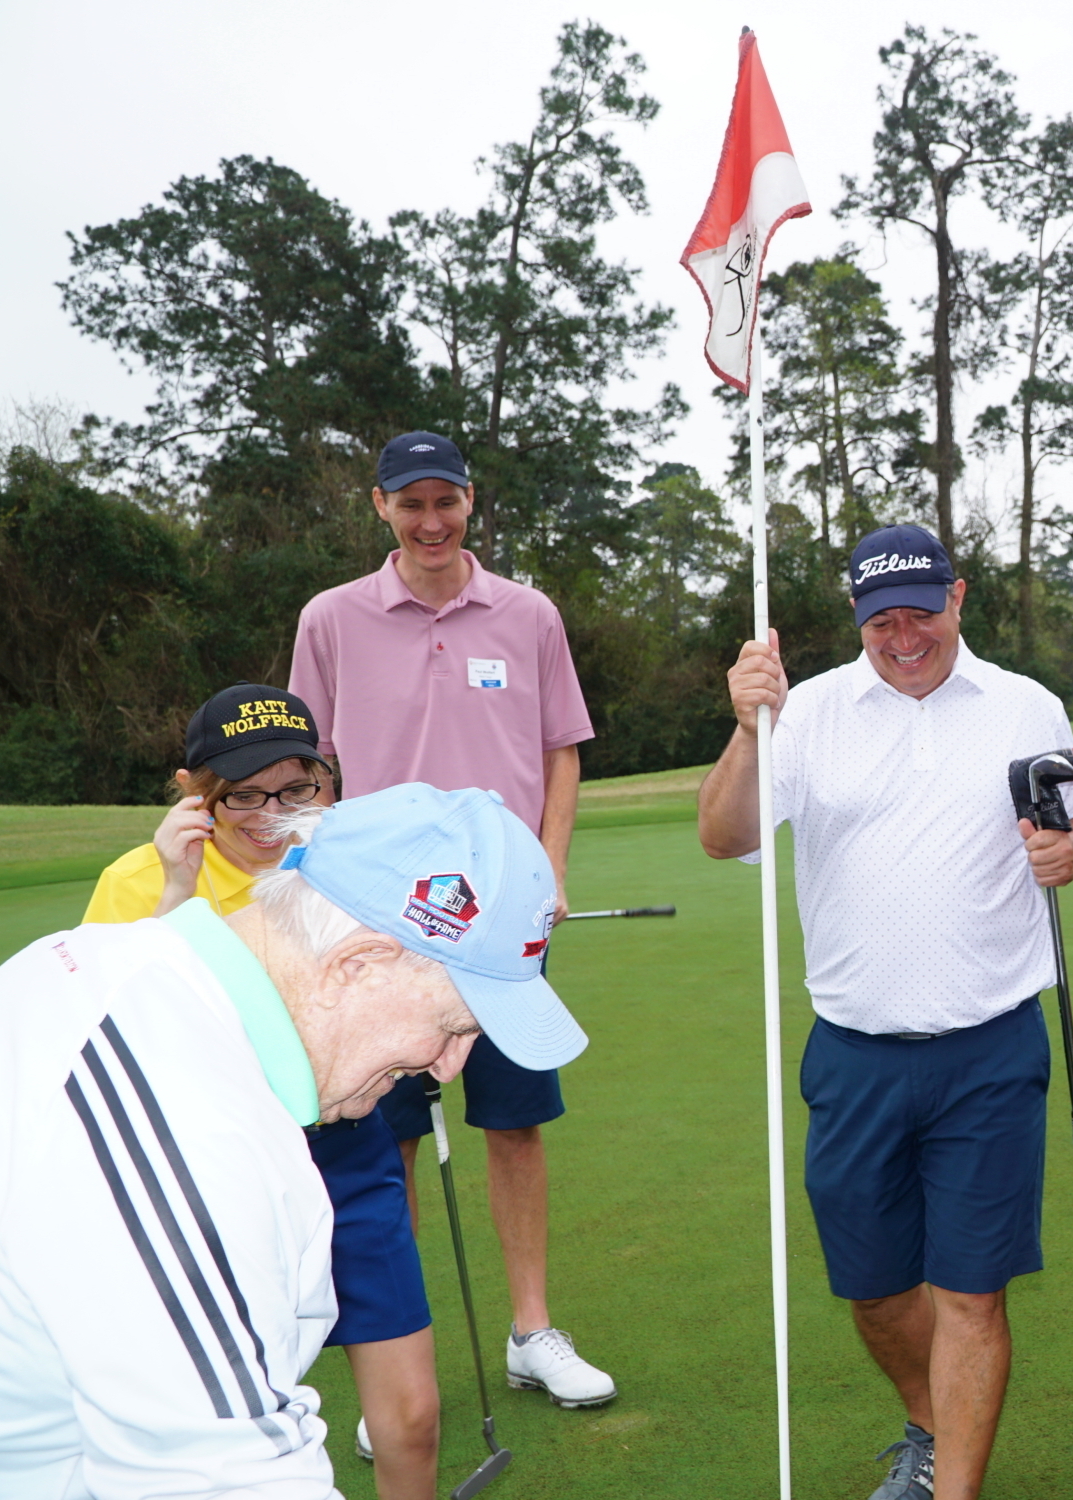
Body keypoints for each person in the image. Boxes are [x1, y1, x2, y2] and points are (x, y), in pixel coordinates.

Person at [0, 782, 586, 1498]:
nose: (447, 1066)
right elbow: (223, 1483)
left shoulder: (116, 966)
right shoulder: (191, 1136)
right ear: (357, 964)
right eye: (453, 1026)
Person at [697, 523, 1073, 1500]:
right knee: (876, 1291)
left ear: (957, 598)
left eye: (921, 614)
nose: (903, 637)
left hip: (991, 1047)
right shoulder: (807, 712)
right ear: (858, 620)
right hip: (855, 1054)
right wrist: (748, 728)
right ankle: (930, 1425)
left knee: (972, 1295)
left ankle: (951, 1486)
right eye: (881, 622)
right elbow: (723, 836)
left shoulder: (1025, 704)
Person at [290, 429, 614, 1408]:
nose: (431, 522)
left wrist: (551, 870)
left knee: (515, 1125)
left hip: (499, 923)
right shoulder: (331, 619)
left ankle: (531, 1331)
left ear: (471, 500)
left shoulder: (529, 615)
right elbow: (307, 770)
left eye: (446, 501)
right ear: (380, 507)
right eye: (411, 503)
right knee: (380, 1141)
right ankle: (397, 1360)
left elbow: (561, 750)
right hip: (379, 924)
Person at [82, 684, 441, 1498]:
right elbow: (111, 1037)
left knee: (413, 1418)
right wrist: (176, 894)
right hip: (206, 1178)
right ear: (194, 792)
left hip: (347, 1154)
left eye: (296, 788)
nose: (271, 814)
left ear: (326, 783)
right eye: (242, 794)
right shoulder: (136, 882)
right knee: (240, 1432)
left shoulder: (355, 866)